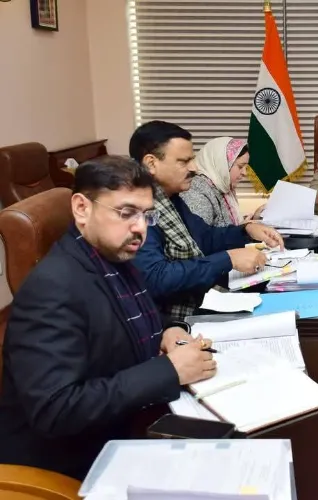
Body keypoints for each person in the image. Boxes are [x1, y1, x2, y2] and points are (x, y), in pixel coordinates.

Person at [0, 157, 217, 480]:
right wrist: (168, 370)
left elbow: (133, 314)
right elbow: (56, 410)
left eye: (147, 215)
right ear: (81, 208)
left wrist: (167, 331)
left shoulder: (113, 256)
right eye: (126, 213)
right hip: (70, 467)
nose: (140, 227)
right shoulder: (52, 289)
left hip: (124, 431)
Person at [129, 121, 284, 321]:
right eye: (184, 161)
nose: (194, 168)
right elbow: (155, 278)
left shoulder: (170, 197)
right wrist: (228, 259)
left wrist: (247, 230)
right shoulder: (136, 209)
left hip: (199, 302)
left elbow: (205, 236)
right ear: (151, 163)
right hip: (170, 323)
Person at [180, 136, 253, 226]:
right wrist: (243, 231)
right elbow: (202, 238)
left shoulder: (221, 186)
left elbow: (225, 224)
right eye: (240, 167)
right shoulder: (196, 192)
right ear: (222, 164)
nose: (245, 173)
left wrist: (254, 220)